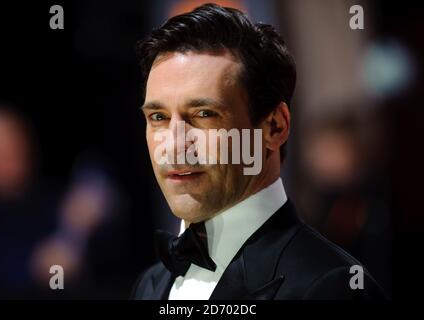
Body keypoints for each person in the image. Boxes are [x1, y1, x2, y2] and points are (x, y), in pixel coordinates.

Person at [131, 3, 385, 300]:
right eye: (158, 118)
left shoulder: (332, 288)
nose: (173, 146)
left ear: (275, 127)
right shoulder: (149, 286)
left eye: (203, 114)